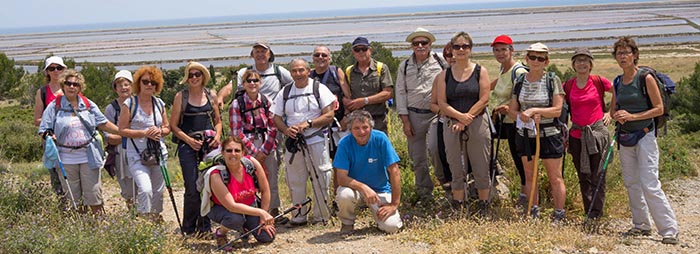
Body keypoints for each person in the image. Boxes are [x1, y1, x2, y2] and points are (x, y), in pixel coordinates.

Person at [610, 36, 679, 244]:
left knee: (650, 183)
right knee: (631, 182)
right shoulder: (618, 81)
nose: (622, 56)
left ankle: (669, 230)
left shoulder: (645, 77)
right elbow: (612, 109)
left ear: (635, 55)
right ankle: (641, 225)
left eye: (626, 52)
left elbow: (659, 108)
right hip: (626, 137)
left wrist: (632, 116)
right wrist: (617, 115)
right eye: (619, 53)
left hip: (645, 134)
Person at [38, 69, 119, 214]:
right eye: (68, 83)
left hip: (89, 156)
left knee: (94, 195)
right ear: (63, 85)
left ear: (80, 87)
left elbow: (103, 123)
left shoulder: (87, 104)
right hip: (65, 158)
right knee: (74, 199)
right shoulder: (55, 105)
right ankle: (82, 229)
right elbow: (44, 128)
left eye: (75, 84)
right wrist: (48, 135)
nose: (71, 87)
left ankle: (99, 227)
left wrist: (123, 132)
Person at [271, 58, 335, 226]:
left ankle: (321, 216)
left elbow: (329, 115)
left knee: (321, 177)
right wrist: (286, 130)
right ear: (290, 73)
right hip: (294, 143)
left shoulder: (319, 89)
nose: (298, 74)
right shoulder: (284, 92)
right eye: (294, 71)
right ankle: (299, 216)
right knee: (295, 180)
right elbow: (276, 117)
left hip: (316, 139)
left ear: (308, 70)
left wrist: (308, 124)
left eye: (301, 70)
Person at [507, 42, 566, 222]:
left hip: (549, 134)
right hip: (526, 135)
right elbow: (512, 110)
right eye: (532, 57)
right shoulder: (519, 81)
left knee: (555, 177)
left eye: (540, 58)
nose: (536, 61)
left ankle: (558, 214)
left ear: (546, 61)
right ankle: (533, 212)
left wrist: (535, 112)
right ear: (526, 59)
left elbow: (557, 110)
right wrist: (523, 116)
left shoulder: (552, 80)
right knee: (530, 175)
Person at [436, 32, 492, 214]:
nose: (461, 50)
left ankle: (484, 205)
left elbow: (484, 98)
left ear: (470, 49)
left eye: (465, 46)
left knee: (481, 164)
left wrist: (467, 117)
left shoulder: (480, 71)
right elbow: (442, 102)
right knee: (455, 165)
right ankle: (458, 205)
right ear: (451, 50)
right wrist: (459, 117)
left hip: (477, 122)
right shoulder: (445, 75)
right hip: (451, 124)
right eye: (457, 47)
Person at [170, 61, 222, 237]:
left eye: (197, 74)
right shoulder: (181, 97)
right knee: (192, 186)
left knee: (208, 185)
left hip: (208, 145)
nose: (194, 78)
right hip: (187, 146)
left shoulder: (211, 95)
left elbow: (218, 121)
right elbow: (173, 126)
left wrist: (217, 136)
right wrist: (189, 140)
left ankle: (205, 227)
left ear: (203, 77)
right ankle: (189, 227)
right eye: (190, 75)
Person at [395, 28, 447, 202]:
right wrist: (405, 121)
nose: (420, 46)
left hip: (435, 115)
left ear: (430, 44)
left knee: (436, 150)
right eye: (416, 43)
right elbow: (400, 93)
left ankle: (447, 187)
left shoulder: (440, 61)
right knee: (418, 158)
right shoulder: (405, 66)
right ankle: (425, 195)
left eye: (424, 43)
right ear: (411, 46)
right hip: (413, 115)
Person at [229, 69, 286, 224]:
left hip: (267, 144)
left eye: (255, 80)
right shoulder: (237, 104)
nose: (252, 83)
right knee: (247, 181)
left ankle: (272, 210)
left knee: (271, 179)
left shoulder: (267, 101)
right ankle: (249, 214)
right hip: (246, 147)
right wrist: (254, 153)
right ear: (243, 84)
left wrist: (264, 151)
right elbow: (236, 132)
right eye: (249, 81)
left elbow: (273, 126)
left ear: (260, 83)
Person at [334, 110, 403, 234]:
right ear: (350, 129)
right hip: (355, 190)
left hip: (380, 190)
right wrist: (364, 188)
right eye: (356, 128)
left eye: (365, 127)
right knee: (344, 194)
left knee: (392, 228)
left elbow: (394, 171)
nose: (361, 132)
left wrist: (394, 204)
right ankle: (347, 223)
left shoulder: (381, 138)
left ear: (371, 127)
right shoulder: (344, 144)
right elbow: (341, 178)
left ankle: (379, 219)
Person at [563, 48, 613, 219]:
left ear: (591, 64)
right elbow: (559, 104)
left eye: (585, 60)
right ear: (573, 65)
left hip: (598, 135)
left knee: (598, 175)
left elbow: (618, 93)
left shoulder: (599, 81)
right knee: (584, 176)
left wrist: (610, 113)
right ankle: (589, 212)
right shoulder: (568, 85)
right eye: (578, 60)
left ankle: (597, 213)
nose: (582, 63)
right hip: (577, 136)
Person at [118, 66, 170, 221]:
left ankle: (155, 217)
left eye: (153, 82)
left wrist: (160, 131)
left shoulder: (159, 103)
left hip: (158, 152)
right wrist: (144, 133)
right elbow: (122, 130)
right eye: (145, 81)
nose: (149, 85)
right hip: (137, 154)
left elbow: (167, 127)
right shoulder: (130, 104)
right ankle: (144, 220)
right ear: (138, 83)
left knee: (158, 190)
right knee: (145, 189)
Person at [206, 136, 275, 250]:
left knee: (267, 236)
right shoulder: (216, 174)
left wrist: (263, 218)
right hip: (222, 209)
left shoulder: (251, 164)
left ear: (243, 152)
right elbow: (231, 206)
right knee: (235, 219)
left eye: (237, 150)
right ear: (222, 153)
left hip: (249, 206)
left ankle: (245, 228)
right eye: (229, 150)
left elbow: (265, 190)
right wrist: (261, 213)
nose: (233, 154)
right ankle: (221, 233)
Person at [489, 35, 530, 207]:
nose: (500, 53)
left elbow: (526, 99)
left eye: (503, 49)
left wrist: (509, 109)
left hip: (516, 122)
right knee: (483, 139)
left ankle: (526, 197)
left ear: (511, 50)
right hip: (503, 121)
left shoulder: (518, 71)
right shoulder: (503, 69)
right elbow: (496, 85)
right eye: (496, 50)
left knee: (520, 159)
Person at [217, 40, 293, 108]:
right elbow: (230, 87)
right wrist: (220, 97)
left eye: (263, 51)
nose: (260, 54)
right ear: (252, 55)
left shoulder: (278, 71)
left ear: (269, 54)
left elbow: (296, 84)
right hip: (249, 114)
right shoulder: (245, 72)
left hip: (272, 115)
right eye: (257, 52)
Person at [344, 36, 394, 133]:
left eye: (364, 49)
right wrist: (347, 102)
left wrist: (365, 101)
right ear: (353, 52)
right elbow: (345, 94)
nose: (361, 52)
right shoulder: (349, 71)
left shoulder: (381, 68)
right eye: (357, 49)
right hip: (357, 122)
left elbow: (388, 93)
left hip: (378, 121)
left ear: (370, 50)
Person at [310, 45, 351, 157]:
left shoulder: (336, 72)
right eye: (317, 55)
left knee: (341, 158)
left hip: (338, 124)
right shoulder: (309, 76)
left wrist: (346, 117)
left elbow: (348, 97)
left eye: (324, 55)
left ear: (329, 58)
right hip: (318, 126)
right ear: (312, 58)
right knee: (321, 159)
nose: (320, 57)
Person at [34, 56, 66, 196]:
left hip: (71, 137)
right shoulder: (42, 92)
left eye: (58, 68)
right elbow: (37, 119)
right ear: (47, 72)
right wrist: (51, 128)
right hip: (51, 139)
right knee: (56, 174)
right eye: (52, 68)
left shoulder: (71, 88)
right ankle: (63, 207)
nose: (56, 71)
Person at [104, 70, 136, 209]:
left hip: (141, 151)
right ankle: (133, 214)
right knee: (128, 188)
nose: (123, 88)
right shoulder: (111, 109)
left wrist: (124, 134)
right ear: (115, 89)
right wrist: (133, 133)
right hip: (121, 153)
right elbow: (109, 138)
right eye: (120, 85)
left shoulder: (141, 103)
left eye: (126, 84)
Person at [429, 43, 456, 192]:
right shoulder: (440, 77)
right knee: (438, 151)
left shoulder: (471, 74)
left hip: (465, 122)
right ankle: (448, 185)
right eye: (449, 55)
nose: (452, 58)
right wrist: (444, 111)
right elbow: (432, 104)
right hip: (444, 121)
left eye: (455, 54)